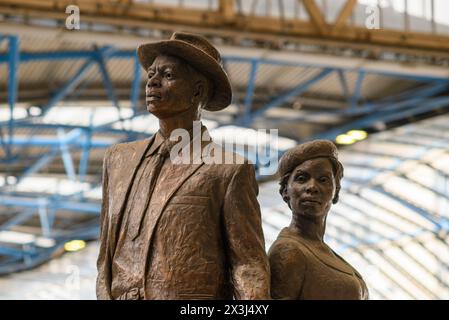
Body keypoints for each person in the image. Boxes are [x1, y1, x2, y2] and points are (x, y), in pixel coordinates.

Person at [96, 32, 270, 300]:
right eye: (151, 73)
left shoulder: (228, 170)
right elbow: (105, 254)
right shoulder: (118, 159)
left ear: (197, 91)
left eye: (167, 75)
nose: (152, 82)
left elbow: (247, 265)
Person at [268, 140, 369, 300]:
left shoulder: (320, 249)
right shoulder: (288, 252)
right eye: (302, 178)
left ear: (335, 192)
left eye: (323, 180)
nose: (312, 187)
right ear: (285, 191)